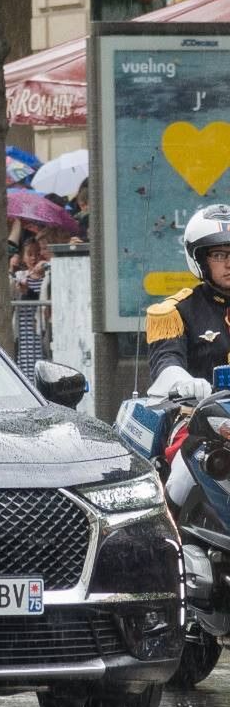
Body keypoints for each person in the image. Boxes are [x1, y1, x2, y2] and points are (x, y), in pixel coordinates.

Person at [147, 205, 230, 507]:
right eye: (219, 255)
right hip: (199, 423)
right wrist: (184, 382)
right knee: (187, 470)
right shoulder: (177, 310)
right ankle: (171, 543)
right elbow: (165, 362)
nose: (228, 263)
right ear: (200, 260)